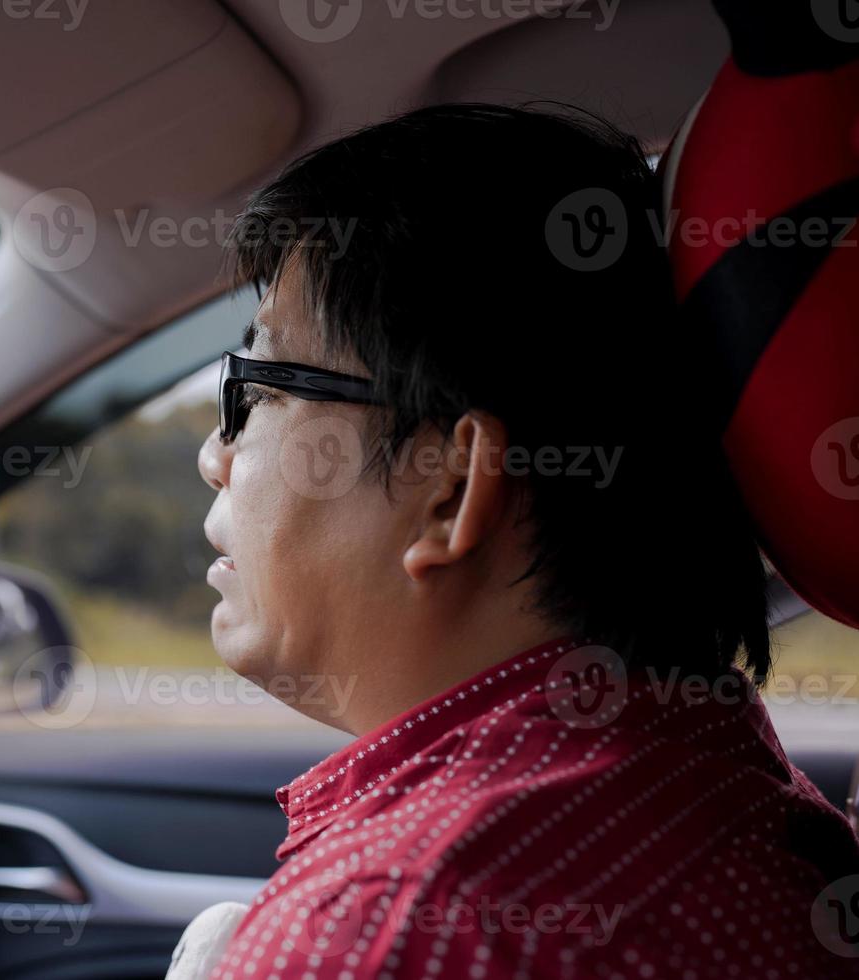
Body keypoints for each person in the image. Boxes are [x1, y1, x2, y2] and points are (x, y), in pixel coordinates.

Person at [194, 103, 859, 979]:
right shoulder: (726, 787)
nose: (215, 456)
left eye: (259, 388)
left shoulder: (389, 928)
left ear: (451, 486)